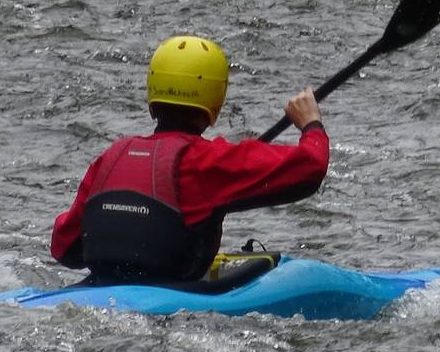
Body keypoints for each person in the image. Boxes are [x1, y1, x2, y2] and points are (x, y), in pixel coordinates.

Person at [50, 34, 329, 283]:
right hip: (172, 296)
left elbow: (64, 246)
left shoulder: (112, 156)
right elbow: (311, 166)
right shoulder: (211, 160)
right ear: (214, 102)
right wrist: (311, 124)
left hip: (102, 288)